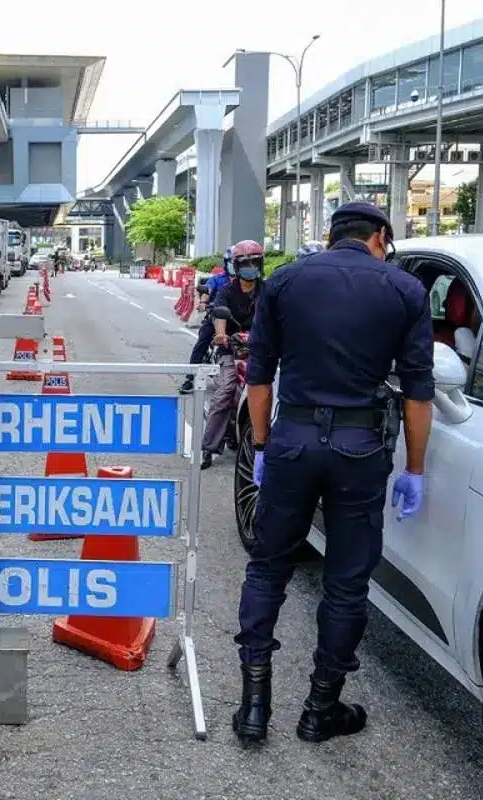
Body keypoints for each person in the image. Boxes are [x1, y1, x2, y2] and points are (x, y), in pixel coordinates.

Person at [233, 201, 433, 746]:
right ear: (381, 237)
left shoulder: (285, 282)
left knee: (268, 568)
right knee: (346, 582)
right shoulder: (405, 291)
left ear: (330, 235)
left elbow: (259, 374)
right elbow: (418, 392)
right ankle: (320, 709)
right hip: (360, 448)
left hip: (293, 440)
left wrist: (262, 443)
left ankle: (254, 706)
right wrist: (414, 468)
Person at [199, 240, 263, 469]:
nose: (250, 267)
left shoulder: (267, 291)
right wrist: (220, 334)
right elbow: (220, 316)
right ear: (236, 266)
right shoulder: (227, 291)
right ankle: (208, 448)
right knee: (224, 391)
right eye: (245, 263)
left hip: (262, 351)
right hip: (232, 351)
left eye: (254, 262)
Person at [179, 246, 236, 394]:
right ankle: (190, 379)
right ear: (227, 263)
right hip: (215, 316)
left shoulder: (251, 283)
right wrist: (203, 303)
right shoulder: (218, 280)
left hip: (239, 320)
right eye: (233, 262)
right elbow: (207, 291)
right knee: (202, 342)